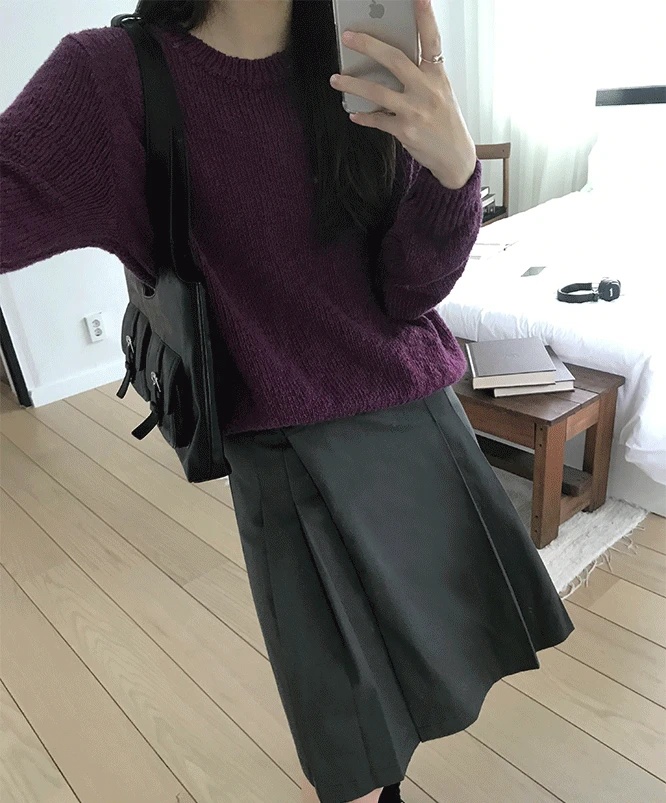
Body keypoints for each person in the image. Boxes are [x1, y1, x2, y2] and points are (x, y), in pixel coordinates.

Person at [0, 1, 574, 801]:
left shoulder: (363, 47)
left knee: (444, 665)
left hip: (418, 424)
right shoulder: (111, 79)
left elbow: (410, 290)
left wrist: (454, 174)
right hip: (283, 459)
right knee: (351, 739)